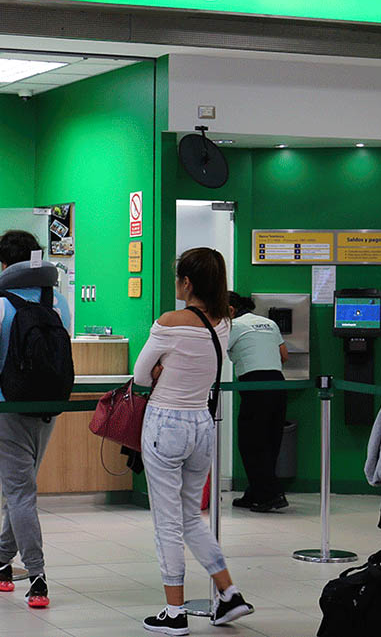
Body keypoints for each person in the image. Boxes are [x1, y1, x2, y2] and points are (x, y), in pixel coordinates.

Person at [134, 248, 254, 634]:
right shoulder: (224, 323)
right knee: (190, 519)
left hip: (166, 424)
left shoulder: (170, 321)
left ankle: (174, 613)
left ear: (186, 282)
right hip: (203, 425)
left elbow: (140, 376)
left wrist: (158, 368)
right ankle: (228, 593)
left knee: (167, 524)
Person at [0, 230, 70, 609]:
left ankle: (38, 576)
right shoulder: (57, 300)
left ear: (5, 264)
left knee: (21, 493)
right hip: (47, 408)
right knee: (20, 491)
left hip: (7, 407)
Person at [226, 291, 290, 513]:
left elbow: (213, 351)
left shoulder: (233, 326)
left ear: (231, 310)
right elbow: (284, 355)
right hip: (278, 384)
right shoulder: (269, 323)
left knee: (251, 441)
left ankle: (271, 495)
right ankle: (255, 492)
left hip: (254, 385)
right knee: (270, 440)